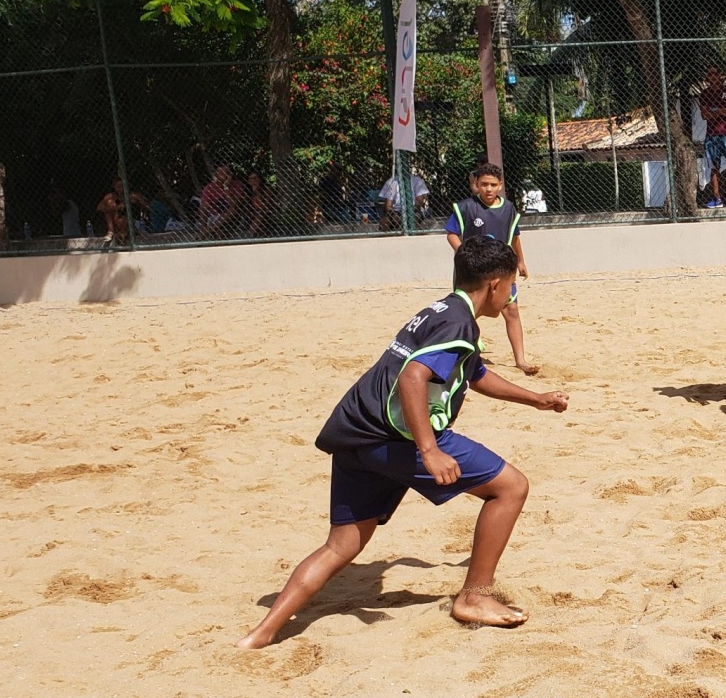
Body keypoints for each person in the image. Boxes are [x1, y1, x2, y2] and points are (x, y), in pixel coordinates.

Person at [236, 238, 569, 650]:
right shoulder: (459, 325)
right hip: (397, 439)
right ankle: (474, 596)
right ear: (495, 284)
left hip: (356, 432)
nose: (511, 295)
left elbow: (474, 373)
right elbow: (413, 377)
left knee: (341, 545)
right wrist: (430, 451)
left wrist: (535, 399)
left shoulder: (440, 310)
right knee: (511, 487)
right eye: (512, 285)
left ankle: (263, 632)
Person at [446, 163, 538, 376]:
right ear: (476, 184)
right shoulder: (466, 208)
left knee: (511, 310)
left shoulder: (509, 209)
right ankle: (463, 353)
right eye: (484, 184)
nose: (488, 189)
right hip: (473, 270)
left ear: (500, 185)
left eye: (493, 185)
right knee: (467, 312)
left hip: (500, 269)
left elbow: (514, 236)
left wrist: (520, 261)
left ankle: (520, 360)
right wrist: (465, 253)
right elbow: (451, 234)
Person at [698, 66, 726, 209]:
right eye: (710, 74)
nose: (713, 77)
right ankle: (717, 199)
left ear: (720, 76)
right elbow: (704, 115)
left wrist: (715, 110)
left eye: (715, 74)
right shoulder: (704, 94)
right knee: (714, 168)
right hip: (712, 135)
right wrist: (723, 110)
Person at [199, 164, 247, 239]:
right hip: (214, 216)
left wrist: (226, 187)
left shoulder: (237, 185)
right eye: (221, 172)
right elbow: (204, 206)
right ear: (216, 174)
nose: (224, 174)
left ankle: (208, 231)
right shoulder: (209, 187)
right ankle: (205, 229)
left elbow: (234, 205)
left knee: (232, 209)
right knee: (203, 207)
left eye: (226, 172)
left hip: (230, 218)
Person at [95, 177, 147, 245]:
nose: (121, 189)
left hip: (134, 222)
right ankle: (111, 231)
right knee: (109, 203)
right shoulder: (112, 196)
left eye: (122, 186)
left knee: (124, 220)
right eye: (118, 187)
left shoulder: (133, 195)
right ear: (114, 187)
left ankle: (121, 235)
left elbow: (146, 207)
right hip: (116, 221)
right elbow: (99, 208)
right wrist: (117, 208)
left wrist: (137, 201)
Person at [245, 172, 272, 237]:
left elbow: (265, 205)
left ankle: (249, 236)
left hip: (264, 211)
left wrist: (256, 191)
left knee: (260, 214)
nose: (253, 180)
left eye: (255, 178)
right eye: (251, 178)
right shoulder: (247, 191)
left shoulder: (266, 189)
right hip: (252, 212)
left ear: (259, 179)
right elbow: (246, 205)